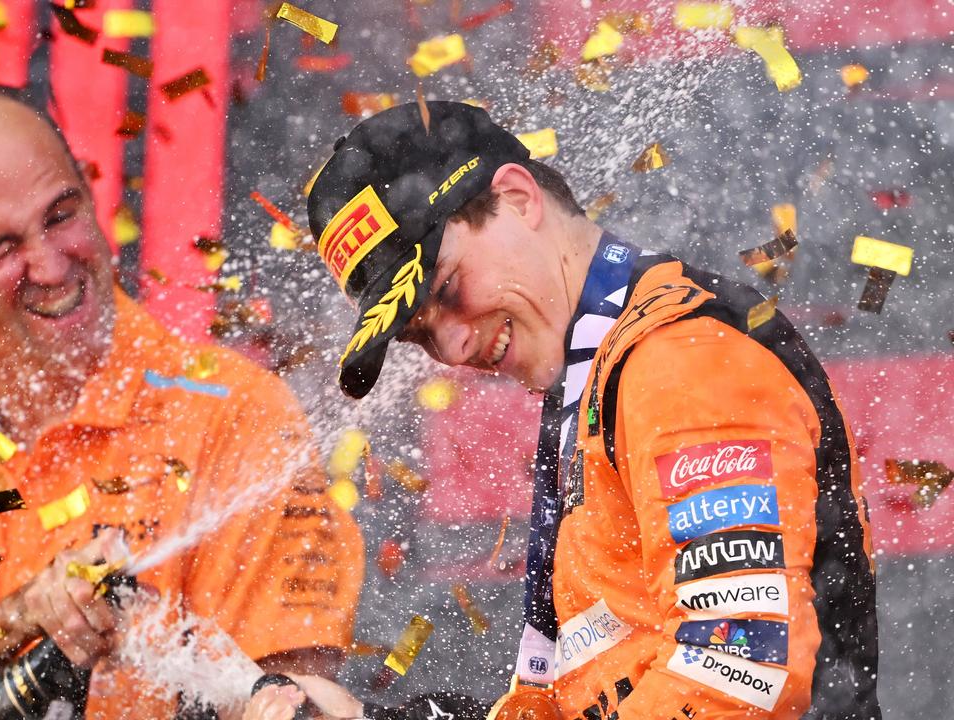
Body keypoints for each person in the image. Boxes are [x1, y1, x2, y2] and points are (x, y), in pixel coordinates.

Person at [280, 101, 879, 720]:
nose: (453, 347)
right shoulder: (596, 372)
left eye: (446, 289)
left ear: (517, 198)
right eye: (418, 332)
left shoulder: (676, 361)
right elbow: (583, 692)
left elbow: (742, 673)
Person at [0, 84, 364, 719]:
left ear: (89, 191)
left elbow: (293, 698)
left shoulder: (237, 411)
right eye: (2, 248)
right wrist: (24, 614)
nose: (51, 267)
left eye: (60, 215)